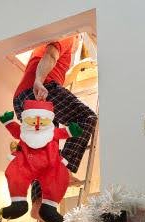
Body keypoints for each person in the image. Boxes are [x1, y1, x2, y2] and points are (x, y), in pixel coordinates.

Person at [11, 36, 98, 204]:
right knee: (87, 117)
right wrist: (39, 81)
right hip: (40, 89)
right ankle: (63, 171)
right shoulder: (68, 35)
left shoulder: (46, 47)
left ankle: (38, 203)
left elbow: (57, 67)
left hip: (22, 98)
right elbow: (50, 55)